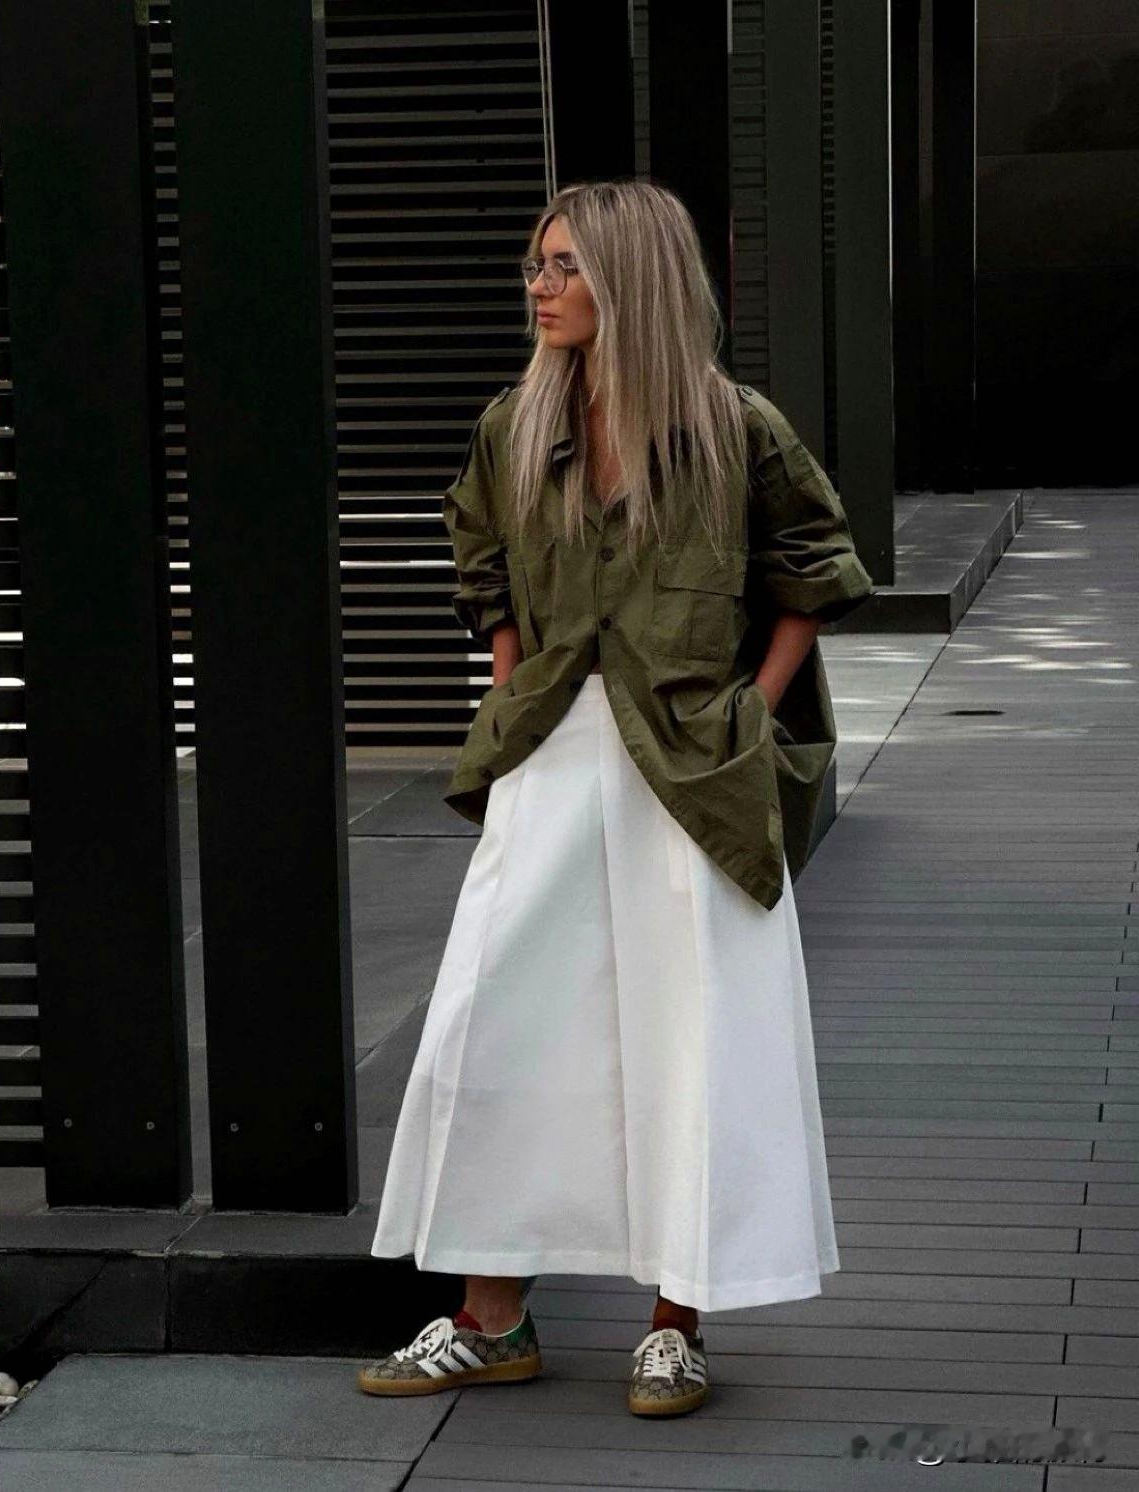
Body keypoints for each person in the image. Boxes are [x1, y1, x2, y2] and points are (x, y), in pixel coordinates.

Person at [357, 179, 874, 1417]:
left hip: (693, 763)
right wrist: (511, 679)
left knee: (693, 1031)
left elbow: (813, 563)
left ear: (629, 279)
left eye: (563, 266)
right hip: (551, 748)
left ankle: (674, 1326)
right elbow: (481, 558)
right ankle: (489, 1319)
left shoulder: (732, 427)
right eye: (534, 265)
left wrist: (751, 706)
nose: (537, 287)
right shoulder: (514, 424)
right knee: (494, 1018)